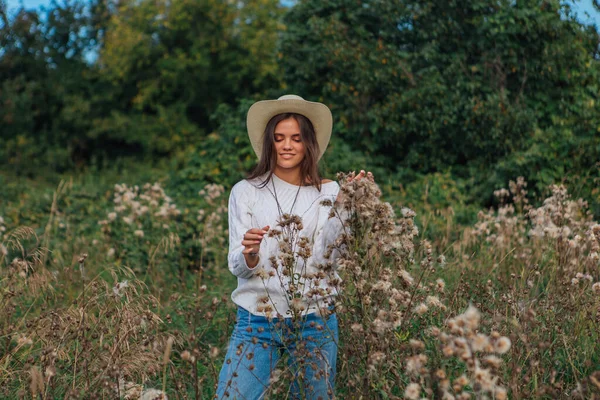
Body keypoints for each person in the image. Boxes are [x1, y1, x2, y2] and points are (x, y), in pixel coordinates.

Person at [215, 94, 367, 399]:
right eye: (279, 138)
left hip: (316, 318)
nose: (287, 145)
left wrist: (344, 208)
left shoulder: (330, 191)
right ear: (268, 142)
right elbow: (236, 263)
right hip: (257, 319)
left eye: (296, 139)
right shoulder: (245, 192)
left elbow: (334, 258)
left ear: (308, 144)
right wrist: (250, 254)